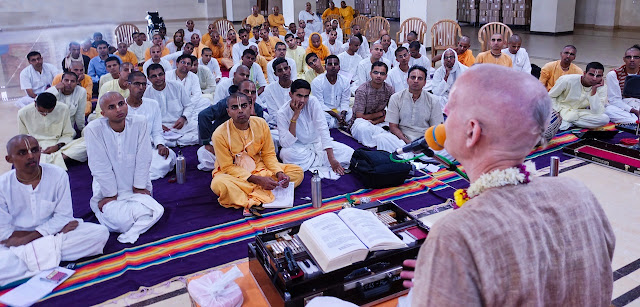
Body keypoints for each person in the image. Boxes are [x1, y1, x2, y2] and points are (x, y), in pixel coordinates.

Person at [406, 64, 615, 306]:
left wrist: (436, 279)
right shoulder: (580, 195)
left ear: (472, 132)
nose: (444, 111)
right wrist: (442, 277)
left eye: (451, 108)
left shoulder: (456, 234)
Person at [0, 135, 109, 286]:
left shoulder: (58, 175)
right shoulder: (2, 185)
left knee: (100, 234)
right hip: (47, 237)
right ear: (9, 159)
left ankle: (30, 262)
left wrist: (30, 238)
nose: (31, 156)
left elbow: (64, 217)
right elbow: (4, 232)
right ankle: (48, 257)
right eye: (22, 153)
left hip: (33, 240)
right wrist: (53, 234)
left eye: (34, 150)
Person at [85, 92, 164, 244]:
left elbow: (144, 157)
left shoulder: (139, 122)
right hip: (108, 191)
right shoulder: (94, 129)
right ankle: (132, 223)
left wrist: (139, 186)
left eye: (121, 104)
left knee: (155, 210)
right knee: (120, 221)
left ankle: (133, 227)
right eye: (111, 107)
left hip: (136, 188)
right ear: (103, 113)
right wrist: (110, 194)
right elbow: (99, 166)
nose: (119, 109)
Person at [210, 92, 303, 217]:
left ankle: (249, 196)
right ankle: (262, 193)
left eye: (243, 106)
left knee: (297, 171)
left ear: (250, 106)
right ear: (228, 112)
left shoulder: (261, 124)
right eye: (234, 107)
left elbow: (269, 155)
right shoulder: (219, 134)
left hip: (260, 167)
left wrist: (279, 173)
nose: (240, 111)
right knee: (218, 184)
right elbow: (227, 167)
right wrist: (257, 180)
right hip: (234, 174)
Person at [277, 79, 354, 175]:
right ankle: (320, 160)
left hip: (318, 145)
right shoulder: (282, 113)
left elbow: (323, 129)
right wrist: (295, 117)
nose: (302, 100)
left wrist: (331, 158)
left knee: (349, 152)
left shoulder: (313, 102)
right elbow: (285, 144)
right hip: (299, 148)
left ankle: (316, 161)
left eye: (306, 96)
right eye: (299, 96)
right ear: (290, 94)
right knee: (285, 154)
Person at [197, 80, 264, 171]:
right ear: (238, 92)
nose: (249, 95)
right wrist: (206, 143)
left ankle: (231, 166)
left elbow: (259, 139)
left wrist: (252, 116)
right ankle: (233, 165)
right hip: (224, 145)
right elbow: (203, 115)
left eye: (252, 92)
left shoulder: (258, 109)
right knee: (203, 153)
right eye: (246, 91)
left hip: (246, 150)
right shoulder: (226, 104)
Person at [17, 92, 87, 170]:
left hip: (61, 146)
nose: (45, 114)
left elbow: (68, 133)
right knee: (19, 152)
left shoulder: (63, 108)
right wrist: (34, 147)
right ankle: (59, 160)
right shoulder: (23, 113)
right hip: (37, 148)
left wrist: (57, 146)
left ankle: (45, 162)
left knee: (87, 142)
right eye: (41, 112)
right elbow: (23, 137)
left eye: (49, 112)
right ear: (35, 103)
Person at [126, 71, 176, 179]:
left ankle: (136, 175)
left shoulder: (152, 104)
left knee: (169, 156)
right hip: (127, 151)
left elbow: (157, 131)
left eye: (144, 84)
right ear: (128, 85)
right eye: (137, 84)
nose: (141, 87)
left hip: (148, 148)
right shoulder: (121, 107)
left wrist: (160, 145)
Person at [387, 66, 444, 150]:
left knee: (448, 148)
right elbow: (393, 126)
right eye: (413, 77)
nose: (416, 81)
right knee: (383, 139)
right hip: (402, 139)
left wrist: (424, 143)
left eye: (420, 78)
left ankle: (409, 155)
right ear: (407, 80)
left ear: (425, 83)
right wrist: (407, 142)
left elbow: (436, 128)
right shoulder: (396, 98)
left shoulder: (433, 100)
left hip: (424, 140)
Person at [349, 61, 400, 152]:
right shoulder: (362, 90)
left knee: (398, 126)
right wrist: (381, 113)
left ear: (386, 76)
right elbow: (360, 116)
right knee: (364, 129)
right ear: (370, 74)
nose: (379, 76)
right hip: (361, 123)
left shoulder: (389, 89)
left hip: (380, 122)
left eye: (382, 73)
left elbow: (392, 112)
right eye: (376, 72)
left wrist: (377, 121)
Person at [144, 64, 198, 146]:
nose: (158, 78)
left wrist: (183, 118)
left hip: (181, 124)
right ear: (149, 79)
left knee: (200, 128)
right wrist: (159, 125)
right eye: (154, 76)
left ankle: (173, 142)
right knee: (147, 134)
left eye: (160, 74)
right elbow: (146, 115)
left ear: (164, 74)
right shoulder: (146, 93)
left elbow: (189, 106)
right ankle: (179, 141)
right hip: (160, 129)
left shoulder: (177, 86)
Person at [549, 62, 609, 130]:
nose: (594, 79)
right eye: (591, 74)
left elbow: (597, 111)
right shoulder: (566, 80)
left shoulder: (602, 87)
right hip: (561, 110)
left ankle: (569, 122)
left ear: (602, 76)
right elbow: (550, 97)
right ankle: (567, 121)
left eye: (598, 76)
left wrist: (594, 91)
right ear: (584, 73)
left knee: (605, 119)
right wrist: (557, 112)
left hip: (579, 113)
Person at [311, 55, 352, 128]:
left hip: (339, 110)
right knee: (318, 116)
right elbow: (319, 104)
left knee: (352, 113)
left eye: (335, 64)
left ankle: (339, 122)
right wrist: (336, 116)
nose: (333, 67)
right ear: (325, 67)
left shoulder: (345, 81)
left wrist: (342, 114)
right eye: (330, 64)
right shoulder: (317, 82)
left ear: (339, 67)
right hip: (325, 112)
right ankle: (339, 124)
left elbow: (345, 101)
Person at [606, 45, 640, 123]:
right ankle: (635, 121)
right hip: (624, 106)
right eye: (628, 57)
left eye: (636, 57)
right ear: (624, 59)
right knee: (608, 110)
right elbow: (614, 100)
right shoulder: (613, 74)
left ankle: (633, 121)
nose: (632, 60)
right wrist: (633, 110)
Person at [261, 58, 294, 127]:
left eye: (286, 68)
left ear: (290, 69)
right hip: (279, 125)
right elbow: (273, 114)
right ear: (275, 74)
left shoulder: (299, 86)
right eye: (280, 70)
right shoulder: (269, 89)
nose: (284, 72)